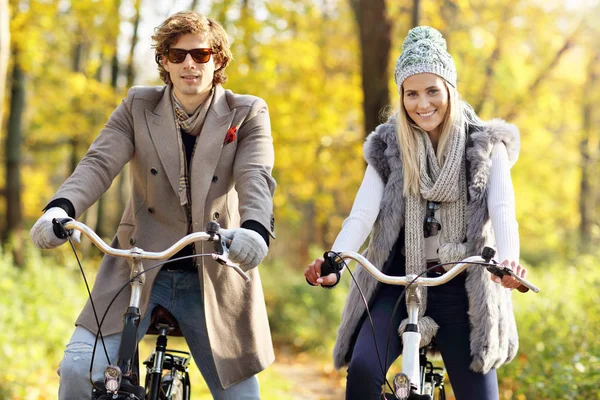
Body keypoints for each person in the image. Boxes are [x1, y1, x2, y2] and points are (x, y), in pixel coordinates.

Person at [29, 11, 276, 400]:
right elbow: (98, 163)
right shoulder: (137, 105)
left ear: (219, 60)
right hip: (138, 267)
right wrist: (60, 208)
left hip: (212, 270)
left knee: (242, 396)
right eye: (177, 55)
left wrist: (255, 229)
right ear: (163, 61)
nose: (189, 64)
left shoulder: (246, 112)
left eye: (201, 54)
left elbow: (255, 175)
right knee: (79, 369)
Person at [304, 26, 527, 400]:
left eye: (432, 91)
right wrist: (335, 260)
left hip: (462, 288)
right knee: (362, 372)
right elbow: (362, 214)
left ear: (449, 90)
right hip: (398, 283)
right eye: (411, 93)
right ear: (402, 96)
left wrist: (509, 263)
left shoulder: (487, 143)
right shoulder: (389, 144)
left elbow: (503, 209)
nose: (422, 103)